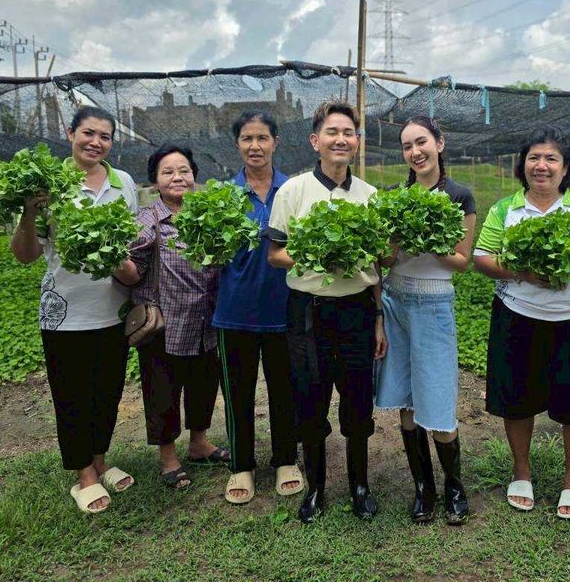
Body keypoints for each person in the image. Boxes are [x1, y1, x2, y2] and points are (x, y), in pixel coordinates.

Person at [473, 126, 570, 520]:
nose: (541, 165)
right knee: (517, 399)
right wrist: (520, 269)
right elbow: (482, 258)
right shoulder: (506, 209)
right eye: (534, 157)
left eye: (551, 158)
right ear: (523, 165)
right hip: (517, 318)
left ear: (565, 167)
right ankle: (521, 472)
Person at [10, 106, 138, 514]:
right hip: (64, 313)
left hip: (113, 309)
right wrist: (30, 210)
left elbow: (132, 244)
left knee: (107, 393)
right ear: (70, 134)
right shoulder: (50, 185)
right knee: (72, 395)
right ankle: (83, 475)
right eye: (88, 133)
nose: (95, 142)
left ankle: (101, 460)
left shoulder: (125, 184)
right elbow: (25, 255)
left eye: (104, 136)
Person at [266, 101, 387, 523]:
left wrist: (377, 318)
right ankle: (316, 487)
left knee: (357, 403)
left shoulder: (370, 196)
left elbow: (377, 264)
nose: (341, 139)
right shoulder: (293, 191)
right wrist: (313, 252)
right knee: (311, 399)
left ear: (357, 141)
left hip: (356, 310)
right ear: (316, 141)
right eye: (332, 132)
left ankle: (359, 485)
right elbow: (276, 253)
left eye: (348, 132)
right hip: (308, 312)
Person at [374, 116, 475, 525]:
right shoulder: (394, 196)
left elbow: (462, 262)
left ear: (439, 142)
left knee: (437, 397)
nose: (415, 152)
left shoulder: (459, 196)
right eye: (407, 146)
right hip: (396, 302)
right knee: (406, 400)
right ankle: (423, 488)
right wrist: (394, 243)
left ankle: (454, 486)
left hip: (434, 307)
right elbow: (382, 260)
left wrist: (427, 241)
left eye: (422, 142)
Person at [113, 144, 229, 490]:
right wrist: (115, 258)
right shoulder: (149, 221)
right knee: (163, 391)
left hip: (205, 322)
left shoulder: (206, 214)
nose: (178, 177)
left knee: (203, 385)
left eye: (184, 170)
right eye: (168, 171)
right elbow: (131, 272)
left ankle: (199, 443)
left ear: (194, 176)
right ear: (155, 181)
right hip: (164, 324)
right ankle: (168, 458)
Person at [212, 111, 302, 504]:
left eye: (262, 138)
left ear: (275, 142)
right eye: (247, 138)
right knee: (238, 393)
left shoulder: (294, 191)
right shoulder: (224, 196)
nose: (255, 146)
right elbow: (209, 255)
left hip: (285, 310)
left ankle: (285, 458)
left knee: (286, 390)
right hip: (235, 312)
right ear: (238, 145)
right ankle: (242, 467)